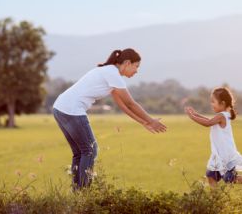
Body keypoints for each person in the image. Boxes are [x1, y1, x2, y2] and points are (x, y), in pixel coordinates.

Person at [52, 48, 167, 190]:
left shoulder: (109, 72)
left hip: (60, 108)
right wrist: (151, 120)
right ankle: (83, 193)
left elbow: (124, 106)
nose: (136, 71)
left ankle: (77, 194)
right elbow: (131, 103)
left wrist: (144, 122)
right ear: (127, 63)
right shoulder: (112, 74)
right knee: (90, 150)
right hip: (72, 110)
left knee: (81, 152)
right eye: (136, 66)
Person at [184, 87, 242, 193]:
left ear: (222, 103)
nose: (211, 104)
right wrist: (195, 114)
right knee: (211, 175)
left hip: (225, 155)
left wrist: (192, 117)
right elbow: (209, 120)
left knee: (229, 178)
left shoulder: (222, 116)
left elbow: (207, 123)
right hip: (218, 154)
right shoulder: (222, 116)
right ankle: (215, 199)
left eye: (213, 102)